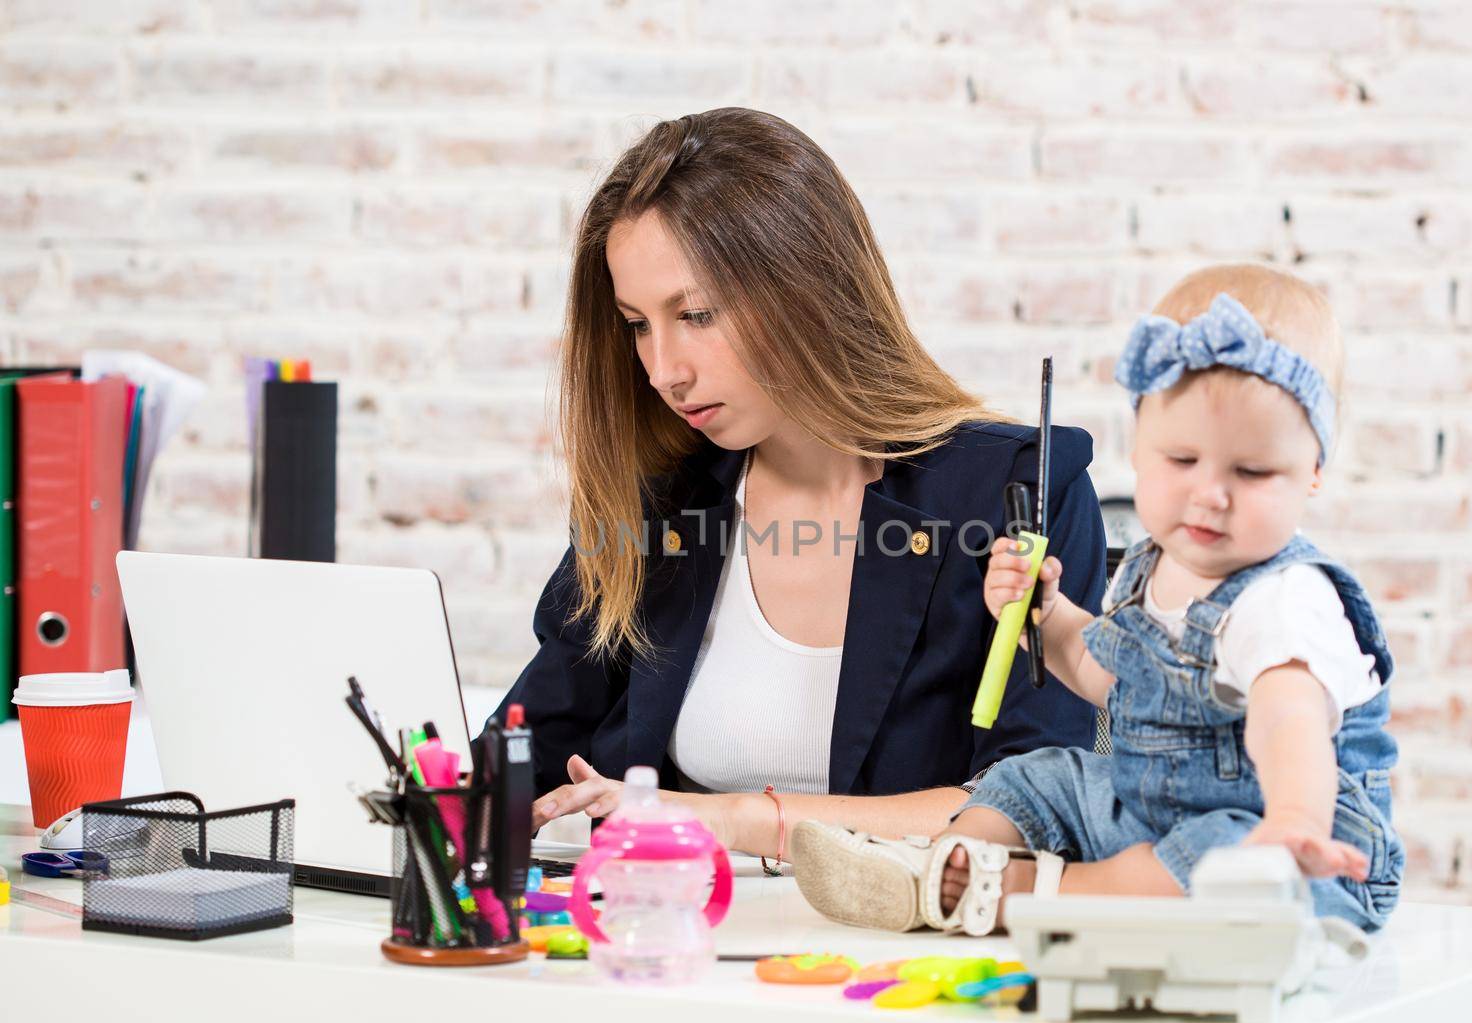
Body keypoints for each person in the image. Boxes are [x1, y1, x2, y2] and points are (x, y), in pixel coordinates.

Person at [496, 107, 1108, 861]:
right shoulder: (661, 503)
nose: (663, 370)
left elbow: (1035, 805)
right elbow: (525, 741)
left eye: (695, 314)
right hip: (665, 946)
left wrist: (729, 820)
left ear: (806, 285)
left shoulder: (1017, 493)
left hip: (904, 963)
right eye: (637, 324)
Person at [791, 263, 1404, 933]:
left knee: (1219, 856)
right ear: (1140, 446)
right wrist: (1045, 618)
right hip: (1151, 810)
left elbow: (1289, 723)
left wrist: (1292, 824)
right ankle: (945, 864)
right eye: (1181, 460)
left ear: (1313, 471)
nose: (1210, 493)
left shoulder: (1287, 599)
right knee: (1034, 775)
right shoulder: (1154, 567)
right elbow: (1107, 677)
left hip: (1276, 839)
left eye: (1251, 471)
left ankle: (1019, 893)